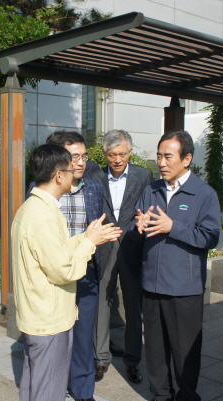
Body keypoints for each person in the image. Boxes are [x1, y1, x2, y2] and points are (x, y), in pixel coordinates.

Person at [12, 144, 121, 401]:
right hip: (49, 317)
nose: (78, 171)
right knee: (49, 389)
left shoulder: (34, 208)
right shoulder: (44, 214)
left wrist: (85, 238)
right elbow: (64, 270)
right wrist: (89, 245)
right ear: (58, 175)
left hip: (38, 313)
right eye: (71, 169)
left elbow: (53, 253)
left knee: (34, 382)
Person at [134, 130, 221, 401]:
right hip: (152, 282)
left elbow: (210, 236)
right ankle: (161, 394)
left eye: (168, 156)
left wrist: (174, 226)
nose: (161, 162)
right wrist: (140, 223)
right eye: (158, 155)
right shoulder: (152, 189)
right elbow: (142, 221)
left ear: (187, 159)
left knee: (185, 351)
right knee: (155, 346)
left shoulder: (204, 193)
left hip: (184, 287)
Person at [42, 131, 105, 401]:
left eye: (83, 156)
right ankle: (54, 385)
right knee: (55, 333)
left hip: (85, 271)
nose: (80, 162)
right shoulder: (42, 190)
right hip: (54, 272)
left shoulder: (93, 188)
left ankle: (83, 387)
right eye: (74, 157)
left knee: (83, 332)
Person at [90, 129, 153, 384]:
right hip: (104, 245)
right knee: (101, 304)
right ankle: (100, 358)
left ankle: (133, 360)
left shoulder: (144, 175)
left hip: (132, 245)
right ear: (105, 153)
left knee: (132, 304)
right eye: (113, 154)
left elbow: (148, 208)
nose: (117, 159)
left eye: (122, 154)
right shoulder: (95, 177)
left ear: (130, 152)